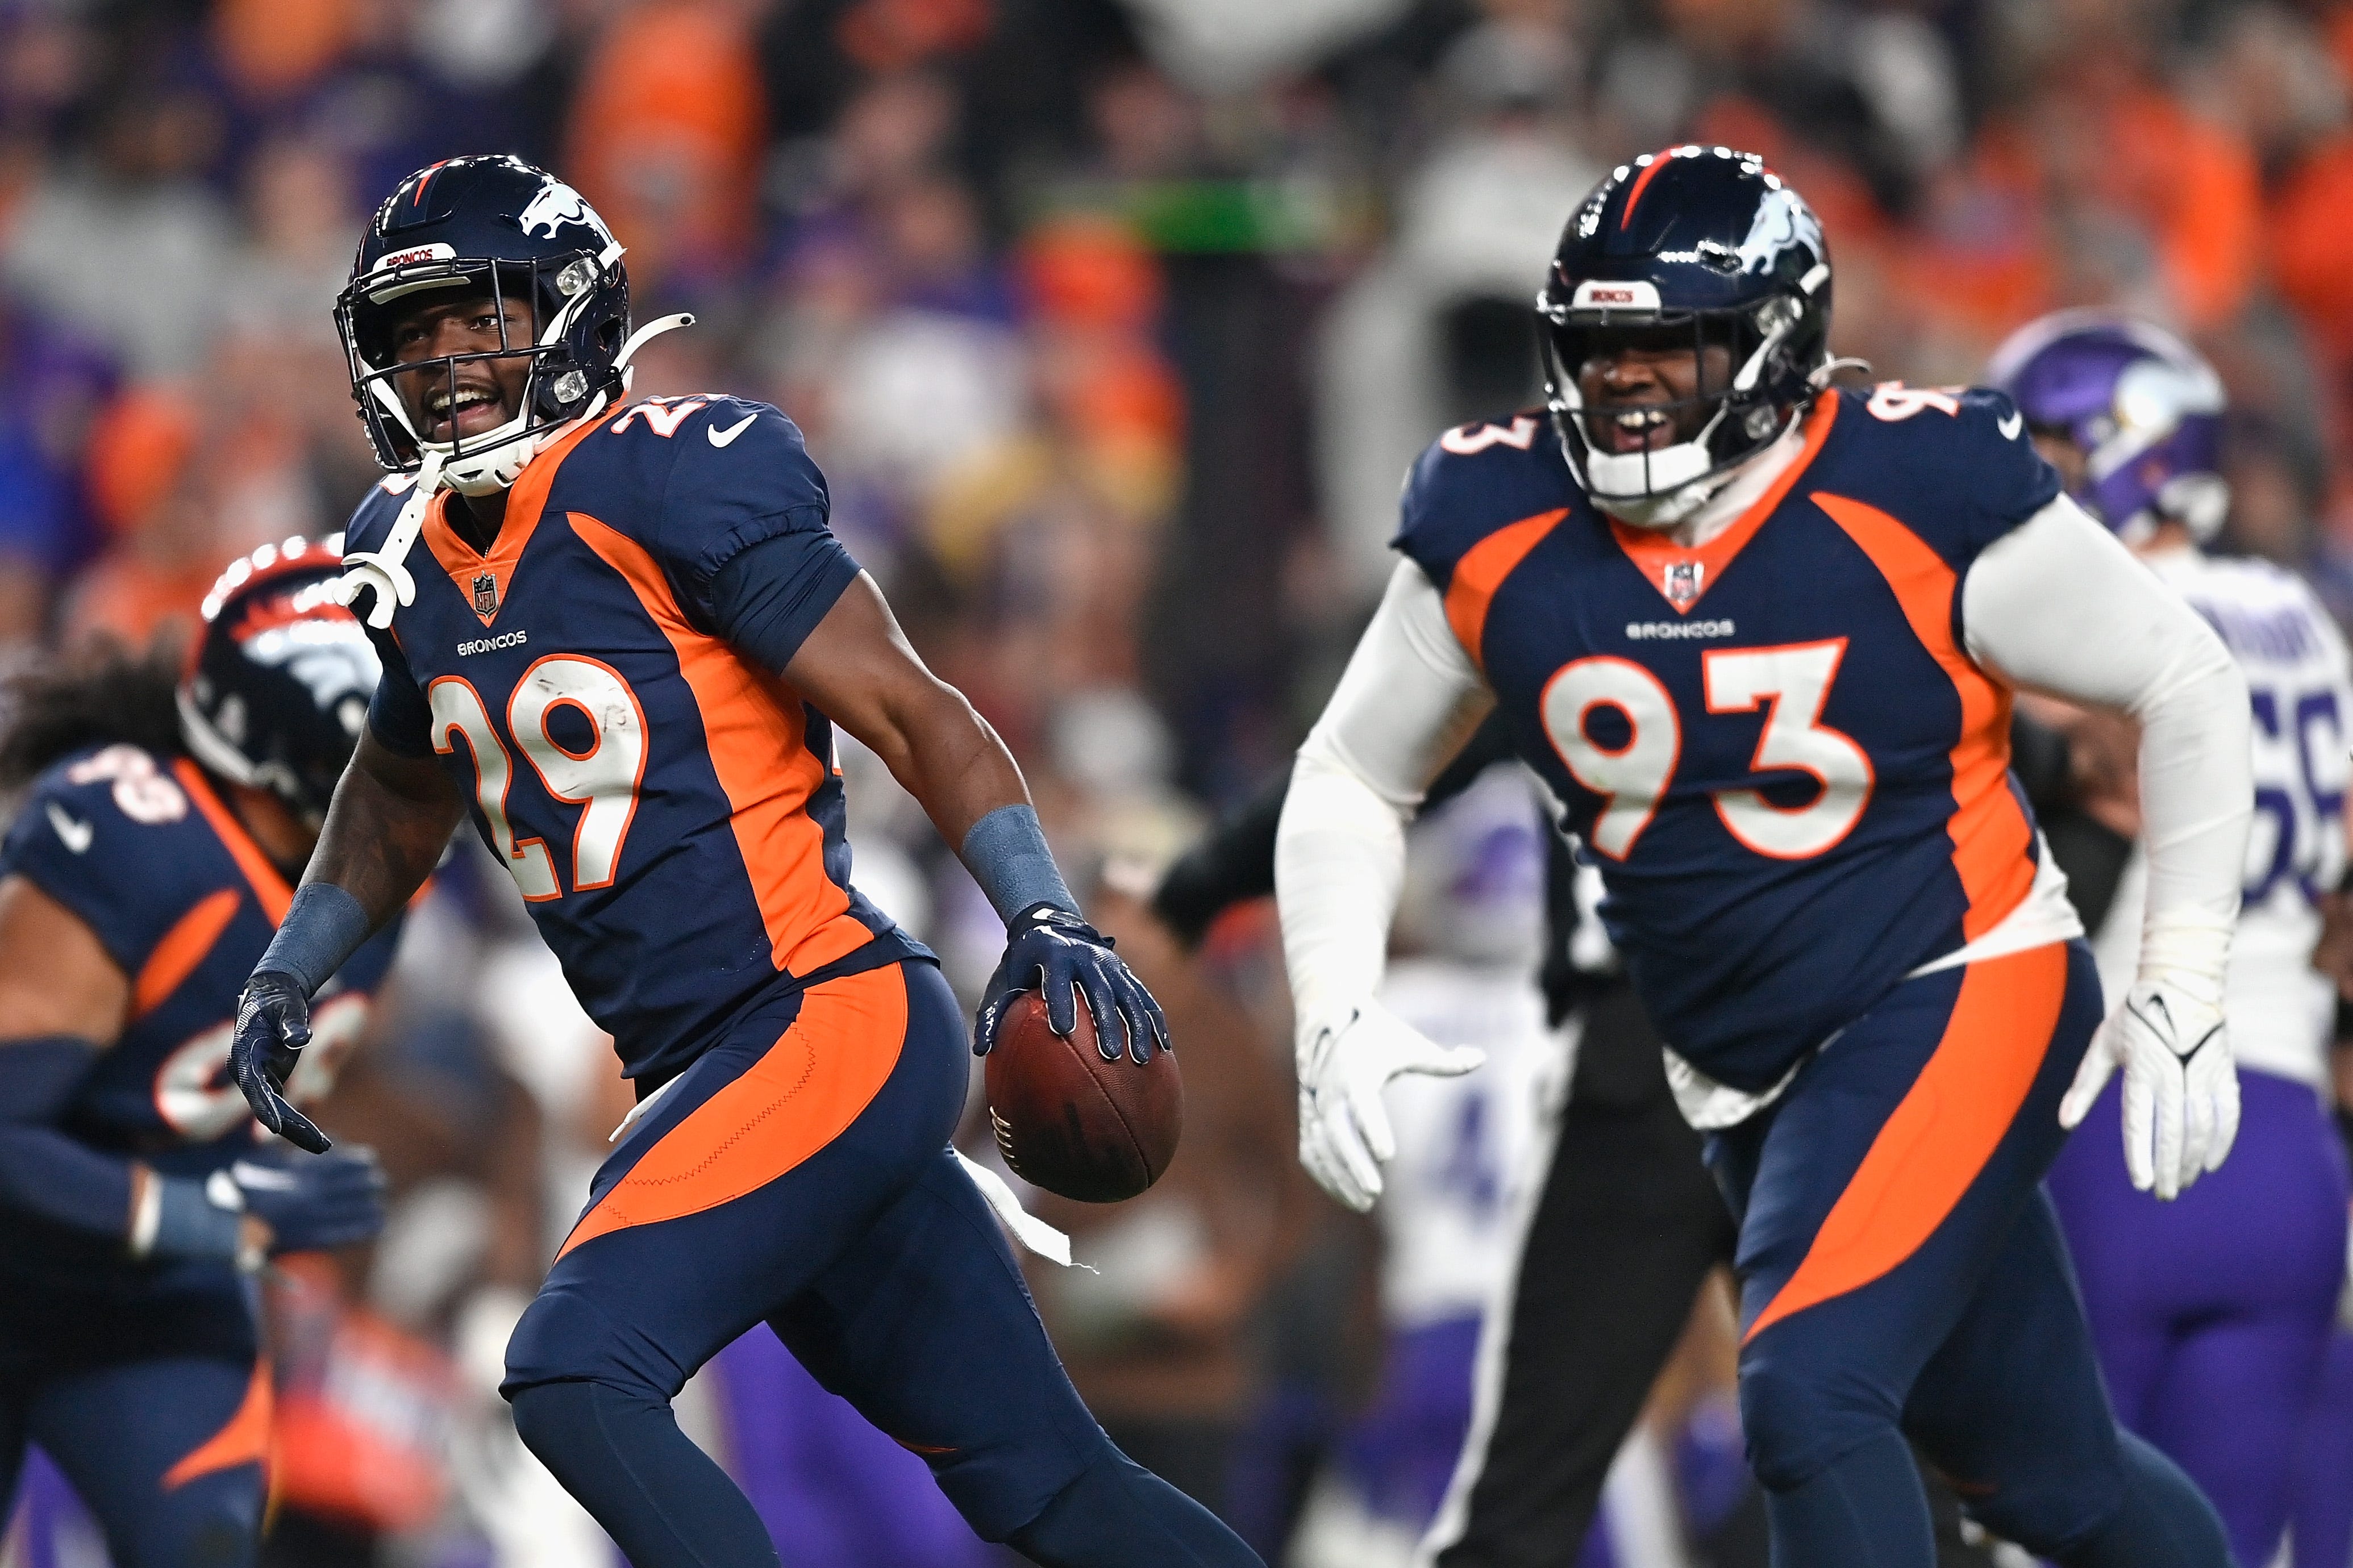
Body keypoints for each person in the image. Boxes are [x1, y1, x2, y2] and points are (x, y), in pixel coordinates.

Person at [225, 153, 1262, 1568]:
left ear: (574, 316)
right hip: (716, 1068)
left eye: (481, 319)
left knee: (574, 1370)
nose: (449, 361)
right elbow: (404, 783)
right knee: (1049, 1488)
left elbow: (914, 705)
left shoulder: (666, 475)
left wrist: (1043, 911)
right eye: (414, 334)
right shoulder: (397, 554)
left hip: (819, 1018)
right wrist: (292, 967)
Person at [1273, 145, 2249, 1568]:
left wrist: (2184, 976)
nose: (1625, 384)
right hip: (1735, 1057)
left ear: (1773, 343)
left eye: (1667, 345)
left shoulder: (1917, 483)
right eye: (1600, 349)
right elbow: (1352, 773)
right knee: (2047, 1478)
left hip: (1958, 973)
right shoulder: (1494, 520)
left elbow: (2183, 680)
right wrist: (1332, 1002)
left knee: (1807, 1390)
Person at [1989, 312, 2353, 1568]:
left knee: (2060, 1540)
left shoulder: (2106, 620)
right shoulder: (2304, 617)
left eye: (2046, 449)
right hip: (2295, 1147)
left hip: (2123, 1136)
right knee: (2230, 1550)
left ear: (2124, 451)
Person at [0, 540, 394, 1568]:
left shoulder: (370, 884)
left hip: (150, 1293)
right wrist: (205, 1211)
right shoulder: (137, 835)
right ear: (318, 736)